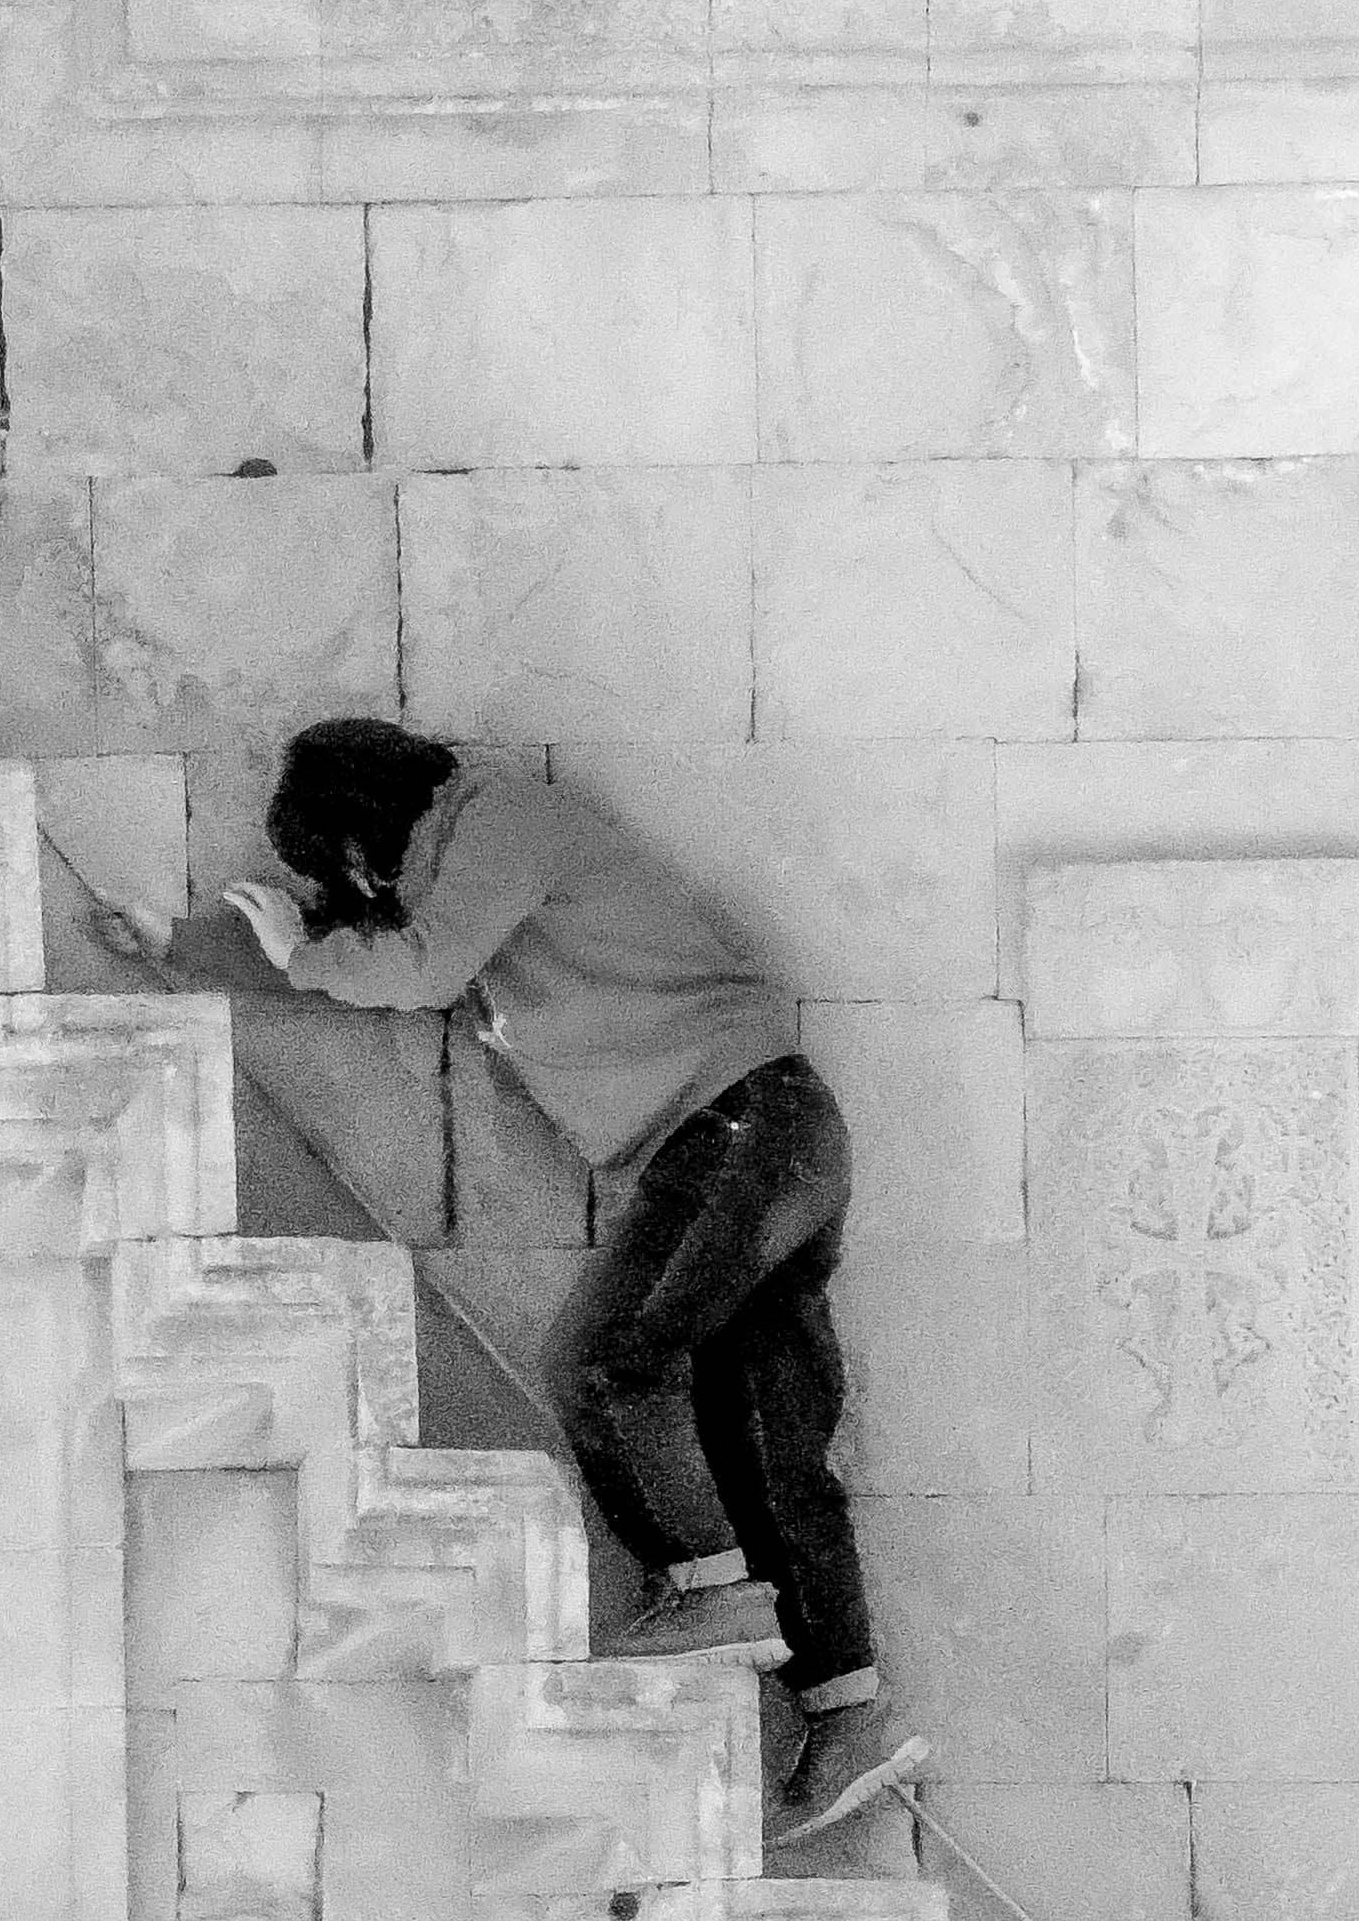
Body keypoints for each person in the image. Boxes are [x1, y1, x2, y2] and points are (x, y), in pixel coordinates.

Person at [212, 718, 924, 1848]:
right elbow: (406, 959)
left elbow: (420, 967)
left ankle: (708, 1591)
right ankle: (849, 1712)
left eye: (352, 860)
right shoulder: (477, 878)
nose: (363, 884)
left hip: (739, 1122)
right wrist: (183, 948)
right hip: (770, 1136)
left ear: (371, 822)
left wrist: (303, 951)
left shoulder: (502, 819)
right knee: (768, 1449)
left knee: (603, 1362)